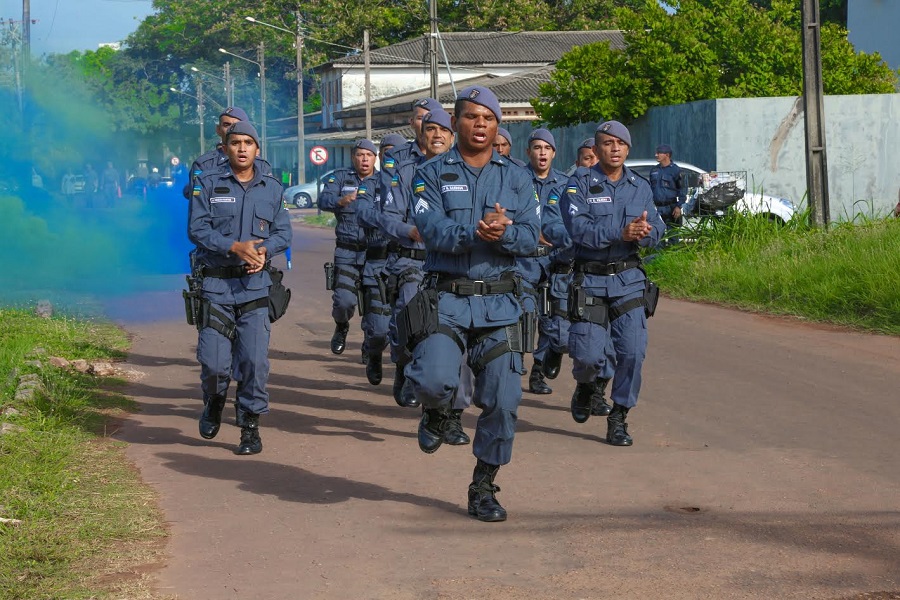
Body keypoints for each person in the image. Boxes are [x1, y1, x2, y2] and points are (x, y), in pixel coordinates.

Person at [405, 86, 540, 522]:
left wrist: (507, 232)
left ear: (497, 126)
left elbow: (532, 238)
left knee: (503, 400)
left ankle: (483, 485)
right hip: (447, 296)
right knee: (432, 379)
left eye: (488, 118)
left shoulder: (517, 177)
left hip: (501, 304)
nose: (480, 125)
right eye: (471, 117)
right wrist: (476, 233)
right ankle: (437, 411)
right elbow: (431, 228)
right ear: (455, 122)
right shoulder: (429, 173)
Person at [187, 120, 292, 455]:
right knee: (215, 363)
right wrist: (234, 246)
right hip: (217, 285)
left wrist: (263, 251)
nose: (242, 148)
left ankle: (249, 426)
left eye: (249, 143)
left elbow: (283, 234)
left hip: (256, 288)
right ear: (226, 147)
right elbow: (197, 229)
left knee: (254, 362)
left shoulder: (273, 188)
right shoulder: (207, 182)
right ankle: (214, 400)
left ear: (257, 149)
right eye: (236, 143)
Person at [565, 121, 664, 446]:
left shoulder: (640, 186)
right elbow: (577, 229)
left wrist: (648, 234)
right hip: (590, 281)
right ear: (596, 149)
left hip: (629, 281)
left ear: (628, 148)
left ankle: (619, 416)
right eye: (608, 143)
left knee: (633, 352)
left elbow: (659, 228)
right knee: (590, 356)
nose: (615, 148)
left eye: (621, 143)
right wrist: (619, 234)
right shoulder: (578, 183)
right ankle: (587, 386)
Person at [516, 128, 571, 396]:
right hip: (523, 264)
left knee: (553, 321)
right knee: (525, 316)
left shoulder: (564, 184)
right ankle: (513, 368)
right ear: (528, 152)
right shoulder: (516, 179)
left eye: (546, 148)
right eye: (537, 148)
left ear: (553, 153)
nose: (542, 153)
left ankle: (539, 369)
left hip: (553, 264)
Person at [319, 139, 378, 355]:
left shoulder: (382, 181)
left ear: (375, 158)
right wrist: (341, 201)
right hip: (346, 251)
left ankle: (370, 345)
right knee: (344, 301)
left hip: (374, 253)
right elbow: (323, 200)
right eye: (360, 155)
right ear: (353, 157)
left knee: (375, 306)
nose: (364, 159)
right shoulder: (341, 177)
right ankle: (341, 326)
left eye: (368, 155)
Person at [182, 107, 272, 200]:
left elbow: (271, 198)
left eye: (238, 124)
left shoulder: (261, 165)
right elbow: (197, 203)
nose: (232, 129)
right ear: (218, 129)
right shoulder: (204, 165)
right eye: (226, 125)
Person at [383, 98, 443, 165]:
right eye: (420, 118)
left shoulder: (452, 156)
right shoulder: (394, 156)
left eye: (432, 118)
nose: (425, 122)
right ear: (412, 122)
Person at [649, 144, 685, 246]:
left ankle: (672, 257)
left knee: (672, 234)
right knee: (657, 234)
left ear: (667, 155)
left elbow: (682, 189)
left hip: (671, 207)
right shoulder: (654, 170)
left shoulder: (676, 170)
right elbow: (650, 188)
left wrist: (678, 206)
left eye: (659, 153)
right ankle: (658, 258)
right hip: (657, 207)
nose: (656, 155)